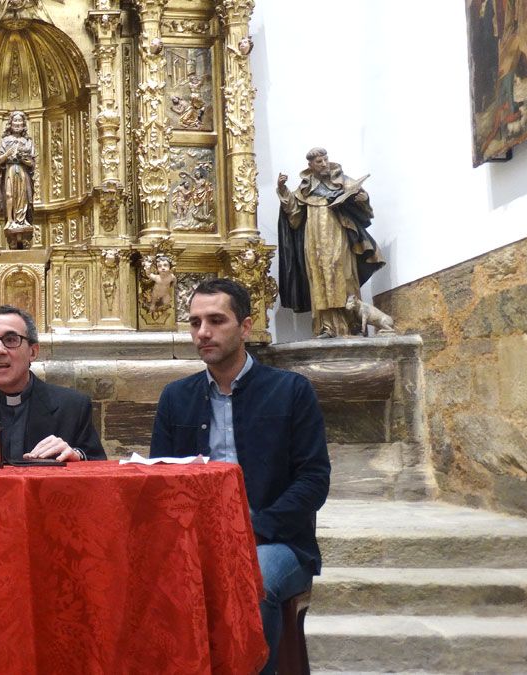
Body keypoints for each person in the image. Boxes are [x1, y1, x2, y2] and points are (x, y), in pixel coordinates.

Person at [150, 278, 330, 675]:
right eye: (195, 322)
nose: (203, 332)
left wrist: (252, 528)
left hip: (277, 543)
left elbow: (314, 479)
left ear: (246, 327)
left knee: (250, 581)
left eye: (216, 320)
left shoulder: (290, 390)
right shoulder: (175, 397)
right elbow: (159, 480)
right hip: (195, 540)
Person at [0, 305, 105, 463]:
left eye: (11, 340)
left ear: (33, 352)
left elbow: (100, 469)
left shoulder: (73, 407)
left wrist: (78, 456)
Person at [277, 147, 385, 337]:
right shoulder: (305, 188)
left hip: (337, 233)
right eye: (319, 161)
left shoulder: (342, 180)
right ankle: (327, 327)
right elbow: (293, 213)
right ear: (310, 165)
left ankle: (353, 325)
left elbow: (361, 198)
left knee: (342, 273)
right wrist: (282, 189)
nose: (324, 163)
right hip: (313, 238)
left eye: (325, 159)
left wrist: (363, 198)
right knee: (319, 277)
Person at [0, 110, 36, 249]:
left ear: (24, 124)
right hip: (10, 169)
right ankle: (10, 220)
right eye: (15, 121)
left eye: (20, 121)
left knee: (22, 196)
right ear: (10, 123)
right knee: (9, 194)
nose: (17, 124)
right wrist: (8, 153)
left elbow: (32, 163)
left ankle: (22, 220)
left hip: (22, 171)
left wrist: (24, 158)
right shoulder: (5, 141)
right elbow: (0, 160)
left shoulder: (27, 142)